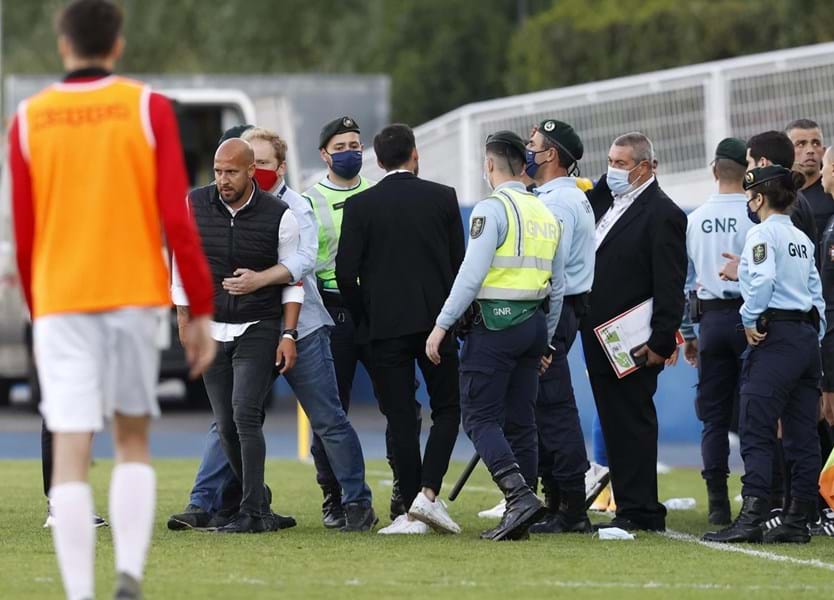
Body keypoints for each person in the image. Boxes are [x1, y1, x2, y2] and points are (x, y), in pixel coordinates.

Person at [9, 1, 216, 598]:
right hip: (131, 295)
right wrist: (198, 307)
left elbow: (25, 233)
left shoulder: (28, 118)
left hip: (60, 299)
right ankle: (127, 574)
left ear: (62, 43)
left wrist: (35, 307)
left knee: (71, 447)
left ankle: (80, 592)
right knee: (132, 439)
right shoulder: (148, 108)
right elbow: (178, 219)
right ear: (118, 44)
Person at [167, 127, 376, 532]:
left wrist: (264, 290)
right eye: (252, 161)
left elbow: (302, 265)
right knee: (231, 419)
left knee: (327, 418)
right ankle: (210, 502)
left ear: (277, 167)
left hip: (301, 325)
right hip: (244, 324)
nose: (256, 169)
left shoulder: (294, 208)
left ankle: (355, 502)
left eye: (262, 162)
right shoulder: (217, 207)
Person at [426, 130, 564, 541]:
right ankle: (521, 512)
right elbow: (557, 285)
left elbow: (470, 277)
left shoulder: (492, 209)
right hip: (533, 326)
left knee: (480, 416)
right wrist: (549, 340)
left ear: (489, 165)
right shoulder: (545, 212)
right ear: (526, 165)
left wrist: (442, 325)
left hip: (495, 325)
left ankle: (517, 496)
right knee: (522, 421)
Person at [337, 124, 464, 535]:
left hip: (384, 328)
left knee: (401, 418)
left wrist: (365, 316)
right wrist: (451, 319)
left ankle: (411, 512)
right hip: (437, 327)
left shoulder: (360, 206)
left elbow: (343, 274)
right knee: (447, 409)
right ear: (415, 154)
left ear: (376, 160)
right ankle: (428, 494)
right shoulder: (443, 199)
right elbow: (459, 267)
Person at [173, 138, 303, 534]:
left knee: (246, 414)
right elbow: (180, 262)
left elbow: (293, 278)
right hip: (211, 327)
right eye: (217, 171)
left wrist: (289, 334)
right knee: (225, 424)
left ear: (251, 172)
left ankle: (252, 513)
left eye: (231, 171)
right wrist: (183, 319)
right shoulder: (193, 204)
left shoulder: (281, 215)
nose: (223, 179)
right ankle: (259, 503)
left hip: (258, 325)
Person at [704, 165, 825, 544]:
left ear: (758, 197)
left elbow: (763, 279)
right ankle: (796, 520)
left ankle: (753, 518)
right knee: (803, 434)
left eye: (749, 196)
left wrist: (749, 316)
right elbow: (816, 291)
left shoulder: (761, 233)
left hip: (777, 338)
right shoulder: (802, 239)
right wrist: (813, 335)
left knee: (755, 425)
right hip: (806, 339)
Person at [303, 116, 409, 524]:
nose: (350, 152)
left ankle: (403, 488)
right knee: (329, 411)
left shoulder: (379, 193)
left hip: (378, 309)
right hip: (334, 312)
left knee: (399, 404)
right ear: (324, 154)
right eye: (341, 146)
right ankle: (334, 496)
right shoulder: (310, 199)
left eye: (355, 145)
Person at [582, 132, 687, 532]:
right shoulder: (605, 199)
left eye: (621, 164)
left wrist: (662, 341)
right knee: (613, 421)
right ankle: (628, 505)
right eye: (610, 161)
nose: (612, 170)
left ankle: (642, 511)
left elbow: (670, 283)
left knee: (634, 421)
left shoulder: (664, 213)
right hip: (599, 334)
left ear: (645, 167)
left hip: (635, 338)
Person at [523, 119, 594, 534]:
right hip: (564, 307)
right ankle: (557, 500)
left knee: (554, 407)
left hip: (556, 308)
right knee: (545, 406)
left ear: (550, 154)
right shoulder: (564, 197)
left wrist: (546, 340)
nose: (527, 151)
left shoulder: (557, 204)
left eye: (533, 145)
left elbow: (554, 274)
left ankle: (571, 507)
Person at [680, 138, 752, 526]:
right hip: (750, 318)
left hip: (710, 320)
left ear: (714, 170)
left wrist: (689, 331)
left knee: (713, 417)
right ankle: (760, 496)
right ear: (747, 170)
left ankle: (718, 503)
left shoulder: (696, 218)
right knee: (756, 413)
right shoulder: (755, 215)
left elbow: (688, 280)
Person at [786, 119, 833, 259]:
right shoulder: (781, 196)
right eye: (801, 144)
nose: (810, 150)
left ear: (824, 151)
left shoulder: (831, 191)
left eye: (816, 143)